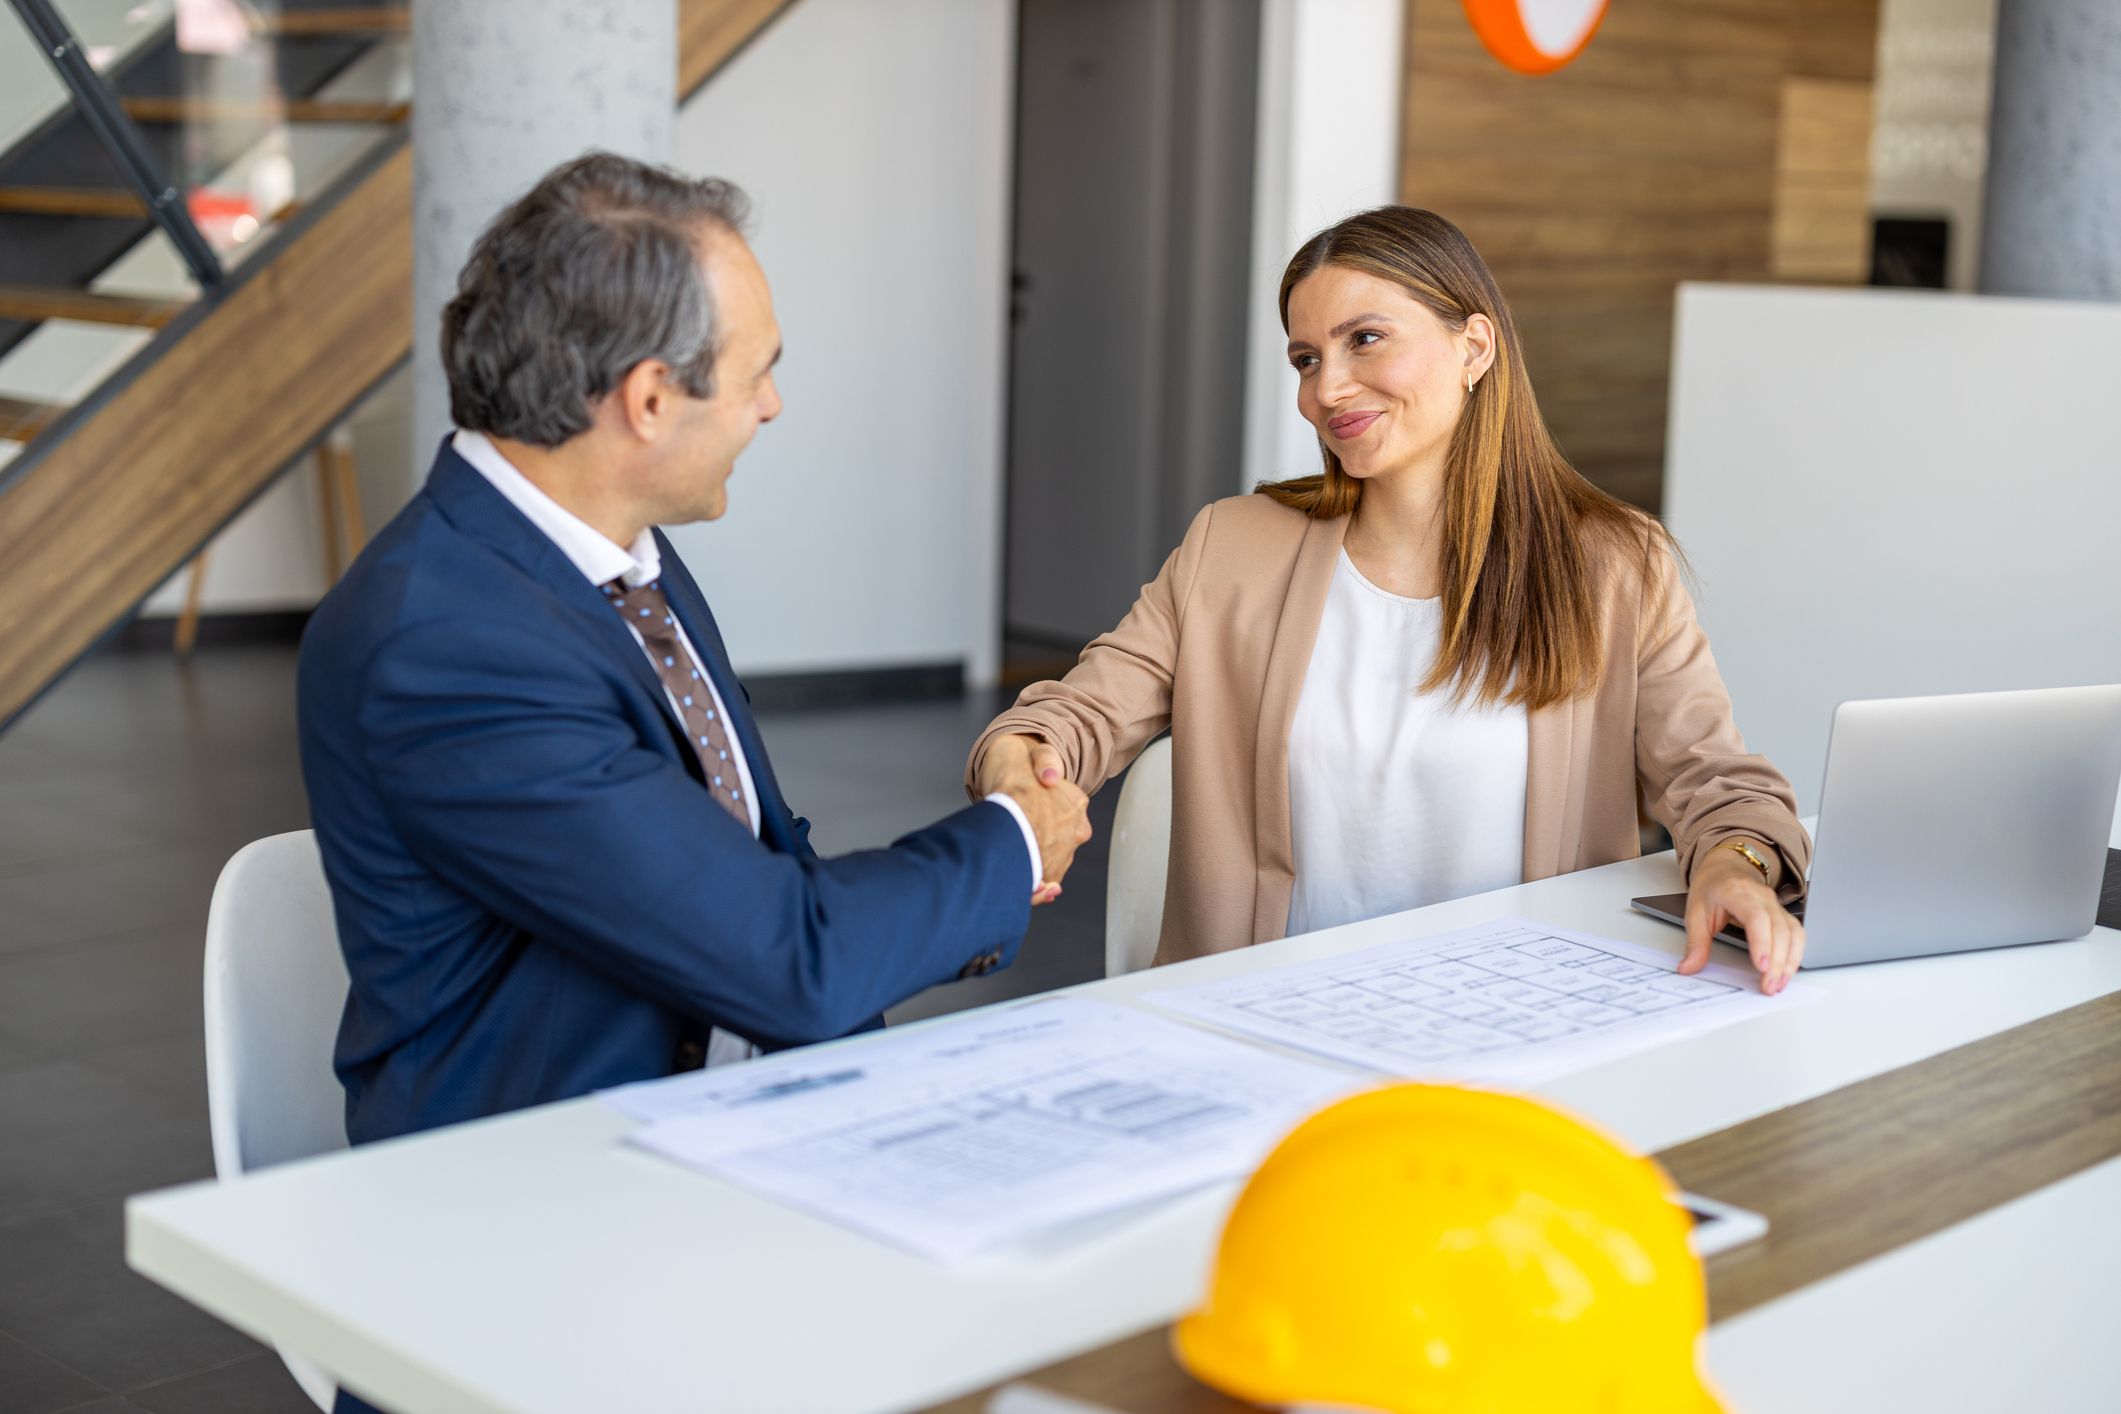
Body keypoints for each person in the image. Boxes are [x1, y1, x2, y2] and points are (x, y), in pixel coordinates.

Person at [299, 153, 1091, 1156]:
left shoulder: (616, 547)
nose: (772, 405)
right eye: (758, 372)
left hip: (745, 1102)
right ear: (650, 400)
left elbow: (746, 879)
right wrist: (1016, 838)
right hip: (552, 1185)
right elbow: (786, 956)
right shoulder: (443, 645)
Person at [968, 206, 1808, 992]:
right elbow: (1078, 716)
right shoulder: (1234, 545)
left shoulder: (1614, 565)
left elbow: (1715, 782)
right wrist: (1024, 760)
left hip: (1520, 1024)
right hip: (1268, 1024)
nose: (1326, 389)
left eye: (1364, 340)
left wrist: (1734, 865)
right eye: (1305, 358)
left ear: (1474, 347)